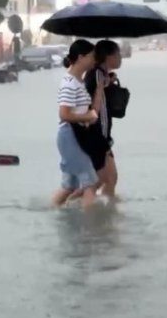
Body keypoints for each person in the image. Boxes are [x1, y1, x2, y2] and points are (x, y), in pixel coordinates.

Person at [52, 40, 100, 209]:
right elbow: (64, 114)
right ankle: (90, 231)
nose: (95, 60)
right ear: (81, 57)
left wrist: (101, 87)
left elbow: (85, 110)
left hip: (76, 135)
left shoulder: (79, 82)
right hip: (70, 136)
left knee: (69, 186)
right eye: (92, 56)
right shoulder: (69, 83)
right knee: (90, 185)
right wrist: (87, 116)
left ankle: (51, 212)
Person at [75, 39, 122, 199]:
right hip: (97, 135)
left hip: (102, 135)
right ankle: (69, 202)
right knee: (103, 180)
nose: (120, 57)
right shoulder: (95, 74)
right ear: (108, 56)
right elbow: (91, 100)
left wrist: (108, 81)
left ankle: (105, 213)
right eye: (118, 54)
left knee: (108, 179)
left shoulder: (99, 74)